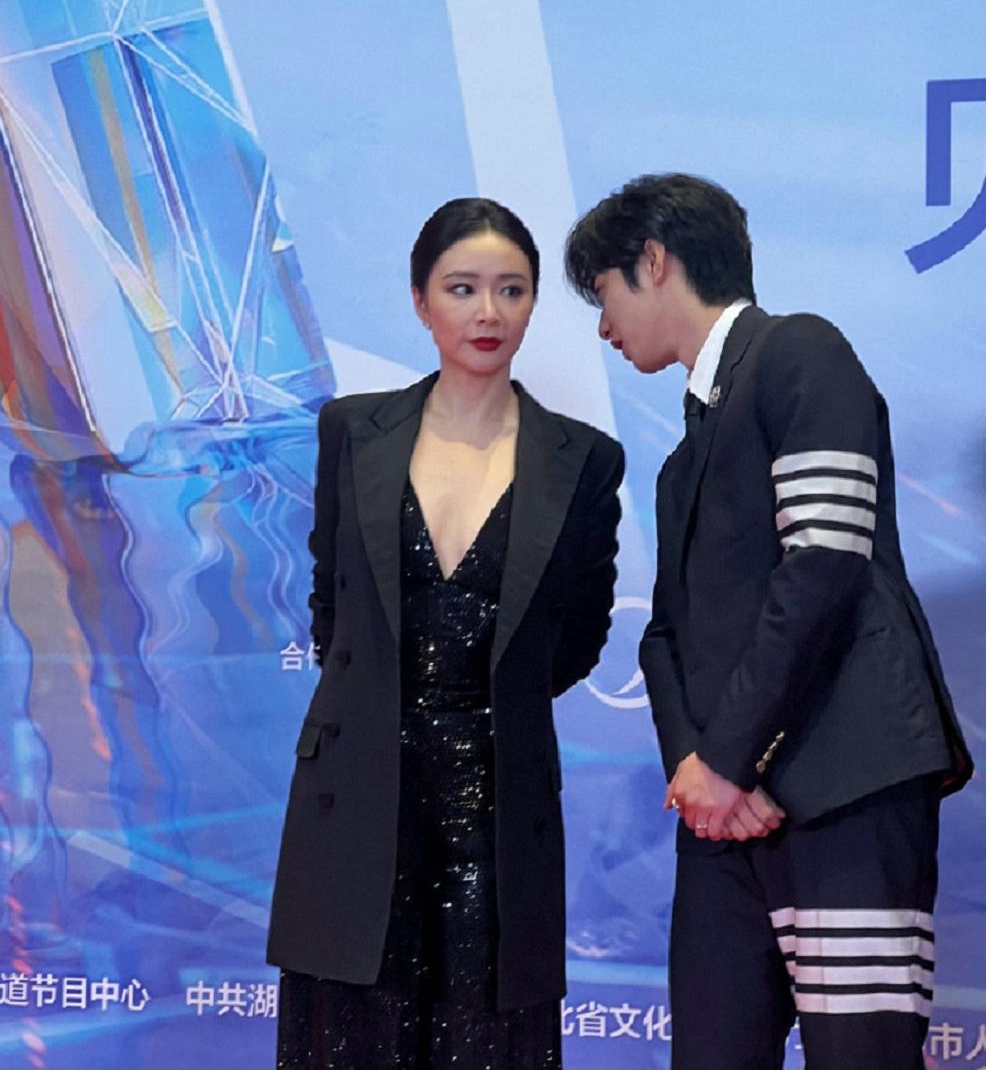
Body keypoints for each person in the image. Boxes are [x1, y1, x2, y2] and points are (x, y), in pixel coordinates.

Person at [564, 173, 972, 1070]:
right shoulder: (679, 464)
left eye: (602, 293)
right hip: (724, 821)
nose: (603, 327)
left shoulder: (801, 351)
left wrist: (727, 760)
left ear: (654, 261)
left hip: (846, 789)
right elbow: (663, 638)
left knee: (861, 1057)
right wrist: (700, 774)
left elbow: (825, 561)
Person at [268, 197, 624, 1069]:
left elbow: (579, 632)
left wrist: (484, 703)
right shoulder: (352, 431)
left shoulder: (582, 459)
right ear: (421, 301)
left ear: (533, 305)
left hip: (499, 809)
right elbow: (332, 604)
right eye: (463, 288)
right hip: (356, 796)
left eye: (512, 289)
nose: (488, 311)